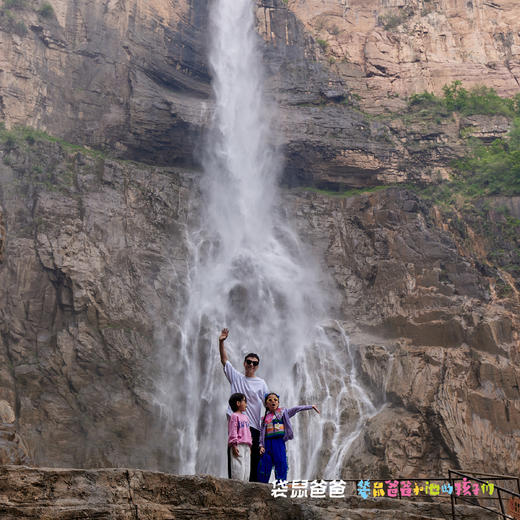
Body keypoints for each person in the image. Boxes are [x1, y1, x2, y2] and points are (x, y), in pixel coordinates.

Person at [219, 328, 268, 482]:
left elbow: (269, 404)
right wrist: (221, 342)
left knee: (253, 461)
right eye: (249, 362)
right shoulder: (236, 377)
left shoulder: (261, 383)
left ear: (257, 366)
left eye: (255, 363)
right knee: (235, 459)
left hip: (254, 427)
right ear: (244, 363)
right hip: (236, 426)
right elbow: (224, 360)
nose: (251, 365)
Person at [257, 392, 320, 483]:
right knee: (265, 462)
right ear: (266, 404)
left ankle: (281, 483)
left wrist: (311, 406)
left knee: (281, 461)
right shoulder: (264, 419)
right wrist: (261, 445)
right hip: (267, 443)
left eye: (275, 400)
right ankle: (262, 484)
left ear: (278, 403)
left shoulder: (283, 413)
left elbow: (296, 409)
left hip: (279, 442)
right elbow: (262, 433)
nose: (273, 402)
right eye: (270, 400)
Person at [227, 393, 252, 481]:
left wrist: (250, 445)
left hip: (246, 445)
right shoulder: (234, 416)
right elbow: (233, 430)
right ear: (238, 403)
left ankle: (245, 486)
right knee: (238, 466)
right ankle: (237, 485)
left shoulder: (246, 417)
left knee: (246, 466)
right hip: (238, 444)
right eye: (244, 401)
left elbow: (248, 432)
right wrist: (234, 444)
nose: (246, 404)